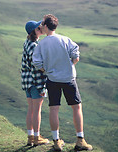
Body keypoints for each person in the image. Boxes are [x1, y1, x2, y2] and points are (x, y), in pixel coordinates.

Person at [32, 14, 93, 151]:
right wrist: (69, 66)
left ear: (46, 26)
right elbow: (76, 56)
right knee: (77, 107)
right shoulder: (65, 39)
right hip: (68, 78)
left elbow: (37, 63)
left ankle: (56, 142)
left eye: (42, 24)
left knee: (54, 109)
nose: (41, 26)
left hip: (52, 80)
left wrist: (47, 70)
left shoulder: (41, 43)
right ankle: (80, 140)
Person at [21, 20, 49, 146]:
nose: (41, 27)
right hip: (35, 81)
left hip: (27, 81)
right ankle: (37, 138)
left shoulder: (27, 42)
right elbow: (36, 65)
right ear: (35, 31)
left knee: (31, 109)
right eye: (39, 27)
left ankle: (30, 137)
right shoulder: (34, 46)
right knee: (37, 110)